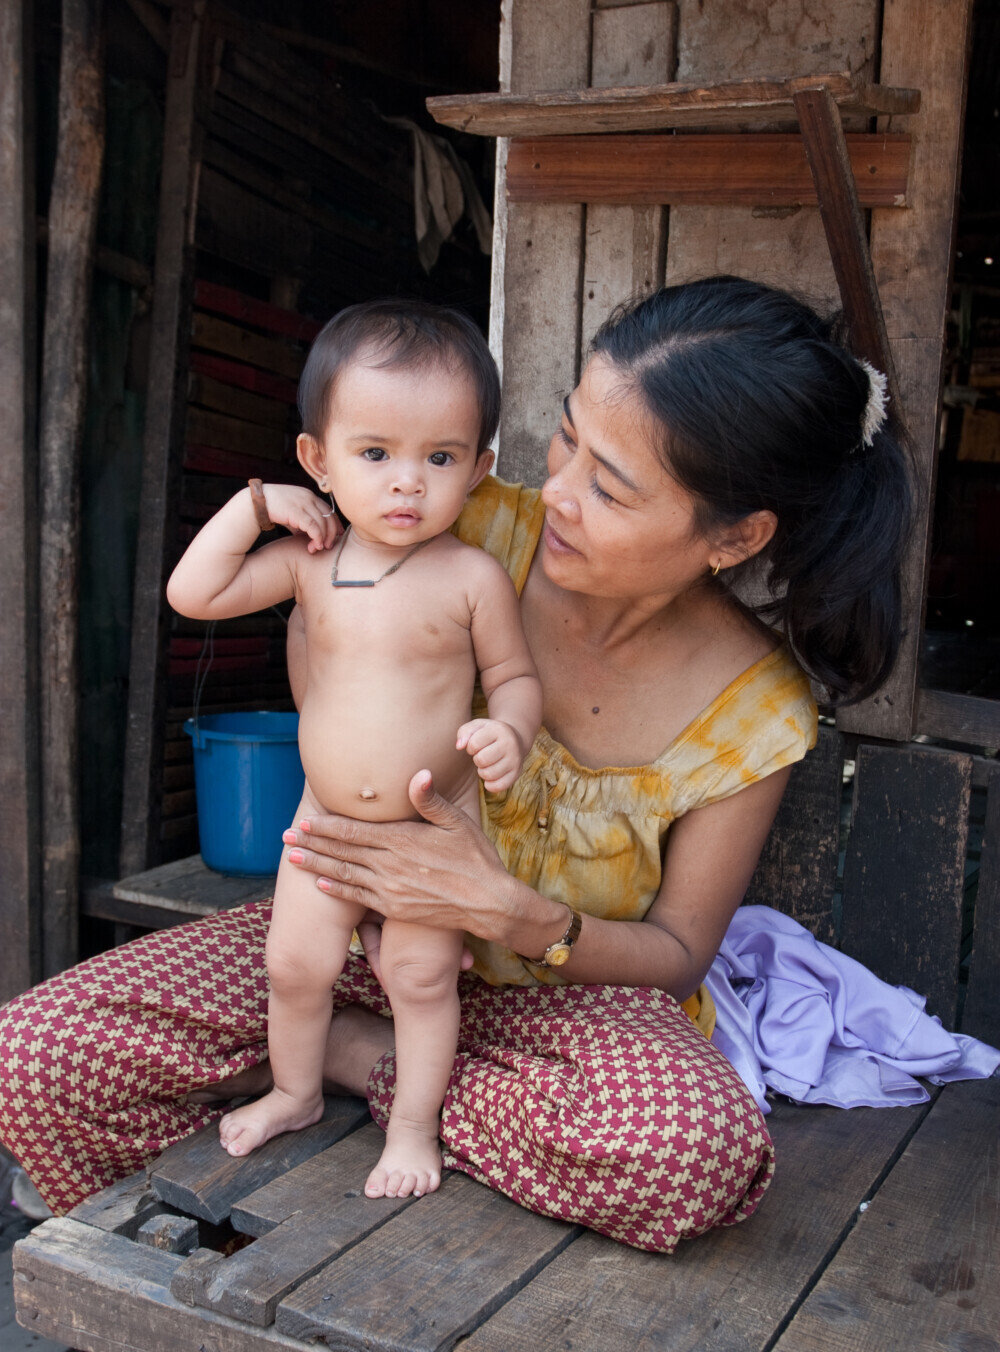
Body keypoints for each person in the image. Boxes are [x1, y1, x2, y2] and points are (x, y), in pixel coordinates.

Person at [0, 277, 911, 1253]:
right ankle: (348, 1094)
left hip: (567, 1006)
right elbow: (321, 640)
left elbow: (678, 951)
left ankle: (365, 1068)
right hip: (355, 928)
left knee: (691, 1153)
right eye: (567, 437)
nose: (555, 488)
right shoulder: (460, 521)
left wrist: (505, 908)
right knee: (37, 1053)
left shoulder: (754, 715)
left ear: (735, 535)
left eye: (609, 484)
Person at [166, 302, 542, 1198]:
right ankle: (295, 1090)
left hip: (423, 829)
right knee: (294, 966)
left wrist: (509, 733)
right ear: (318, 460)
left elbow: (518, 679)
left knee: (417, 980)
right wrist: (254, 506)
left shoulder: (472, 577)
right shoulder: (310, 562)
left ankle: (413, 1130)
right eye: (375, 454)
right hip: (322, 820)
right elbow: (194, 592)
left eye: (440, 458)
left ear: (480, 471)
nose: (407, 483)